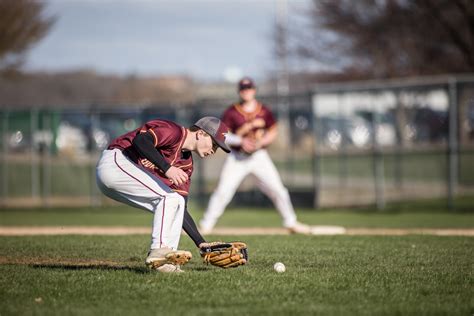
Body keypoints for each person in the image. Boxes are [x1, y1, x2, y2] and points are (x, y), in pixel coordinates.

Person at [96, 116, 234, 273]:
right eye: (214, 144)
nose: (213, 151)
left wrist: (201, 243)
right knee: (169, 197)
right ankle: (159, 250)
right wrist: (167, 168)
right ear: (201, 133)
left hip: (124, 176)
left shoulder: (185, 165)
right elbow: (141, 141)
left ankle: (165, 262)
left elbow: (180, 209)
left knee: (177, 202)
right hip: (116, 162)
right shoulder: (174, 132)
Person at [199, 77, 312, 235]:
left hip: (259, 157)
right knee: (223, 191)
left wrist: (262, 142)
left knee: (278, 190)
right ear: (239, 91)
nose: (246, 91)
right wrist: (241, 141)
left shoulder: (264, 110)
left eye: (249, 88)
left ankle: (291, 222)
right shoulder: (232, 112)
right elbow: (223, 135)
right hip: (238, 157)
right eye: (243, 89)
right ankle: (206, 225)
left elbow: (273, 130)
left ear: (254, 90)